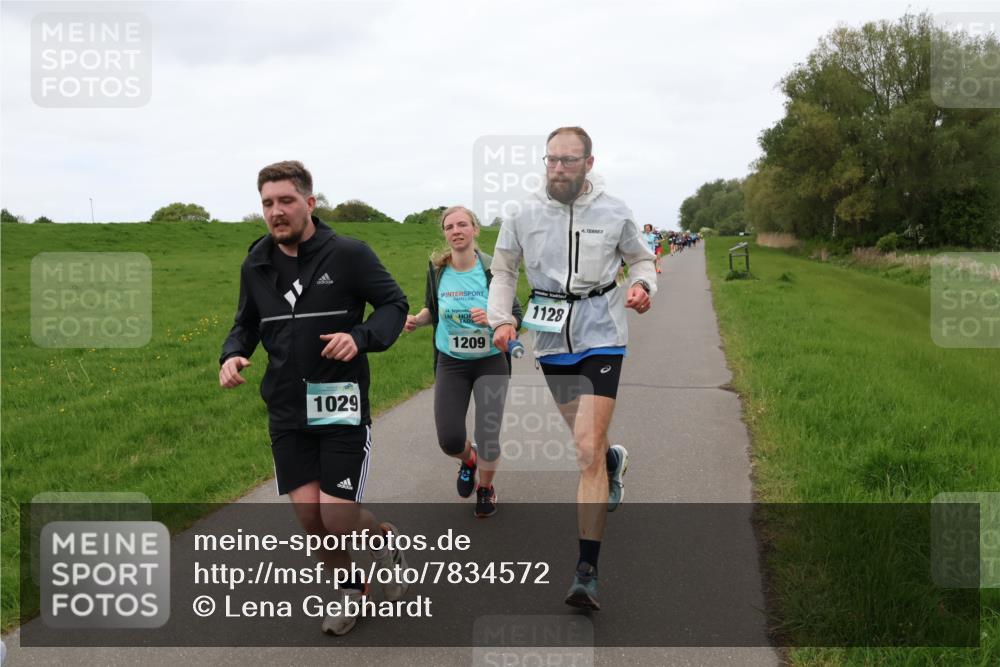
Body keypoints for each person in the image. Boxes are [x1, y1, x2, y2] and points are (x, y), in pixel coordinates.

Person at [219, 160, 410, 636]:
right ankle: (350, 589)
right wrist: (233, 354)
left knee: (338, 515)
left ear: (310, 202)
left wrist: (360, 337)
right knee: (310, 516)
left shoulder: (348, 254)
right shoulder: (256, 263)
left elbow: (394, 304)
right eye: (267, 203)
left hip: (340, 404)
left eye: (286, 200)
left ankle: (382, 536)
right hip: (286, 408)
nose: (276, 211)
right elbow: (246, 323)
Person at [487, 127, 657, 610]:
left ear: (588, 162)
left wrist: (644, 287)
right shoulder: (521, 213)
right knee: (588, 444)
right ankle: (612, 461)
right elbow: (504, 271)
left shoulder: (615, 210)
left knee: (584, 448)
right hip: (549, 336)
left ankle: (586, 571)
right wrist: (502, 320)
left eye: (568, 160)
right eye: (551, 160)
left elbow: (642, 261)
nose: (558, 169)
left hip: (602, 330)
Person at [403, 206, 522, 517]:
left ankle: (486, 488)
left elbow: (517, 318)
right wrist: (418, 319)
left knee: (488, 432)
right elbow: (432, 309)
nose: (455, 231)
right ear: (445, 233)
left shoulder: (493, 270)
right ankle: (468, 460)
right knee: (450, 437)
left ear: (475, 230)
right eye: (449, 226)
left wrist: (496, 319)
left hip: (490, 361)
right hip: (451, 361)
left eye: (462, 225)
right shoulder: (438, 271)